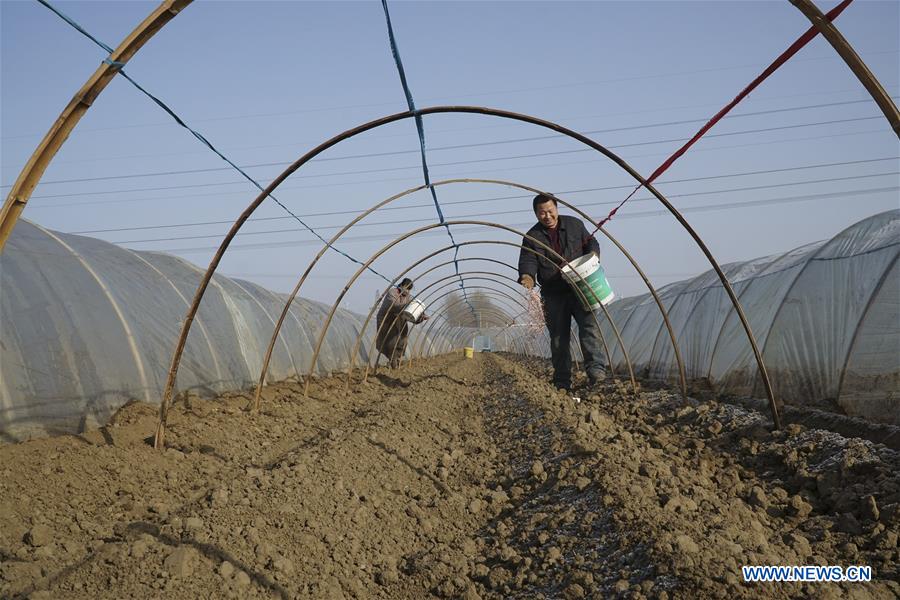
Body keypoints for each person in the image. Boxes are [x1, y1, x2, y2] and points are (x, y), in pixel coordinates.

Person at [518, 193, 607, 391]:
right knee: (559, 338)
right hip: (553, 293)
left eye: (550, 211)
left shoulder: (575, 224)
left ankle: (597, 374)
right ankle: (562, 381)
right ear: (536, 214)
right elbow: (528, 260)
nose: (547, 216)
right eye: (542, 213)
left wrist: (593, 256)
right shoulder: (532, 237)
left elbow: (591, 242)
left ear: (556, 208)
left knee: (590, 330)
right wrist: (528, 276)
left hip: (581, 288)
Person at [376, 277, 428, 368]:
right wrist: (408, 305)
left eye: (409, 290)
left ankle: (397, 358)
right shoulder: (392, 292)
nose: (407, 291)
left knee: (403, 339)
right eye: (406, 288)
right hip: (387, 319)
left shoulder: (408, 297)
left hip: (399, 319)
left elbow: (411, 313)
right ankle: (393, 360)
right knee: (391, 340)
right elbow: (395, 306)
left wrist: (421, 316)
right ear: (402, 285)